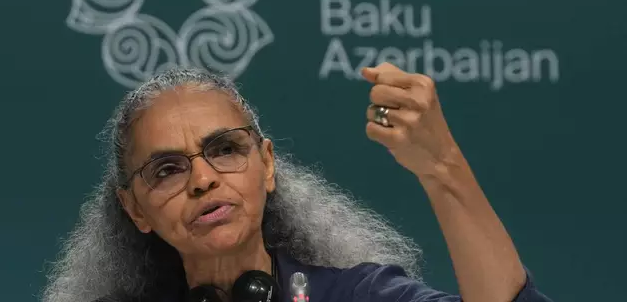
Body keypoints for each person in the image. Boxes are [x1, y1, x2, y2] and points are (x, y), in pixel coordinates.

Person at [42, 63, 553, 302]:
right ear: (134, 209)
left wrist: (442, 167)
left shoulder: (356, 295)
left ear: (267, 164)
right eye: (167, 169)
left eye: (224, 149)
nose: (202, 179)